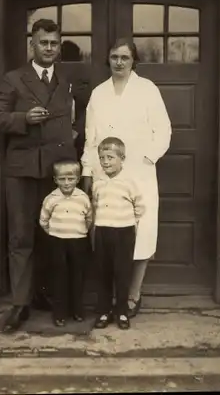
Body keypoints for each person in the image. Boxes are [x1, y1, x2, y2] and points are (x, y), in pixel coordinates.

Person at [0, 18, 77, 332]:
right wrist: (22, 118)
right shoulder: (14, 79)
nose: (50, 48)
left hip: (56, 172)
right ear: (33, 44)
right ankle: (19, 303)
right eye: (44, 43)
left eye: (54, 43)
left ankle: (44, 295)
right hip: (23, 171)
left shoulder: (66, 80)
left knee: (52, 235)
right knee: (21, 236)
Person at [81, 37, 172, 319]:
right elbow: (90, 137)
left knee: (141, 232)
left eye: (125, 57)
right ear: (107, 59)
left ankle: (133, 294)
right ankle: (108, 299)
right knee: (106, 235)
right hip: (105, 175)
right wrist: (87, 171)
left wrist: (147, 158)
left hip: (138, 175)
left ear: (134, 61)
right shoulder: (98, 93)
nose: (119, 62)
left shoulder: (147, 90)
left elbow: (164, 131)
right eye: (114, 57)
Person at [92, 137, 145, 330]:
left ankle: (121, 311)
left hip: (124, 232)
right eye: (102, 158)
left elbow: (139, 207)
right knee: (103, 272)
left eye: (110, 157)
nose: (105, 162)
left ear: (122, 158)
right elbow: (95, 206)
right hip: (103, 232)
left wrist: (130, 223)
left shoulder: (129, 182)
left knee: (122, 273)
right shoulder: (98, 183)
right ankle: (104, 311)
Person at [39, 159, 92, 327]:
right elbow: (43, 221)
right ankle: (59, 313)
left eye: (71, 179)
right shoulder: (51, 199)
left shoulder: (83, 198)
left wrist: (79, 232)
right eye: (62, 179)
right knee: (59, 277)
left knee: (78, 276)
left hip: (78, 242)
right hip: (57, 242)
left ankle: (77, 310)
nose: (67, 183)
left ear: (77, 179)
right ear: (55, 180)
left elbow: (89, 219)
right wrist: (56, 233)